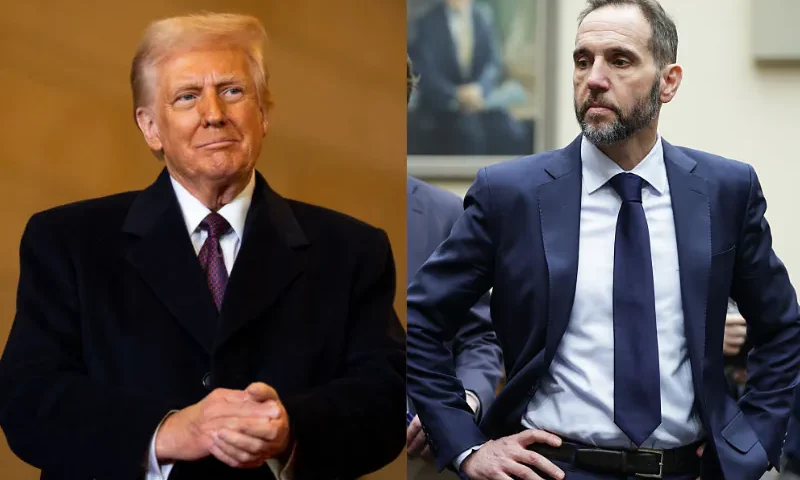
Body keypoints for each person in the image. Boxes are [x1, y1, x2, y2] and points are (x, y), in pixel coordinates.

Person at [0, 13, 405, 480]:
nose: (214, 113)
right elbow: (28, 397)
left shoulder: (351, 250)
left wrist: (291, 427)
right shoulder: (68, 241)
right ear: (151, 127)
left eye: (232, 91)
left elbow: (388, 396)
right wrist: (168, 431)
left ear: (264, 113)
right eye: (187, 97)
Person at [406, 1, 800, 479]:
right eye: (581, 60)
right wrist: (466, 447)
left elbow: (781, 329)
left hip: (687, 469)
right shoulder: (509, 194)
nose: (593, 77)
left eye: (619, 60)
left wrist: (751, 445)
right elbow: (422, 318)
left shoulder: (724, 191)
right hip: (549, 469)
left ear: (668, 81)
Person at [406, 56, 504, 480]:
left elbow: (480, 335)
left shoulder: (447, 213)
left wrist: (465, 401)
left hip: (428, 455)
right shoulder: (292, 218)